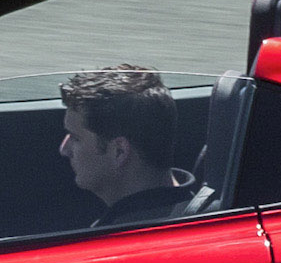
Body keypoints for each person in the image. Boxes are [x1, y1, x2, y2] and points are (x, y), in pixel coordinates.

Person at [60, 64, 195, 226]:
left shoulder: (116, 240)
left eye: (75, 138)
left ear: (119, 151)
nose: (64, 149)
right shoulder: (193, 211)